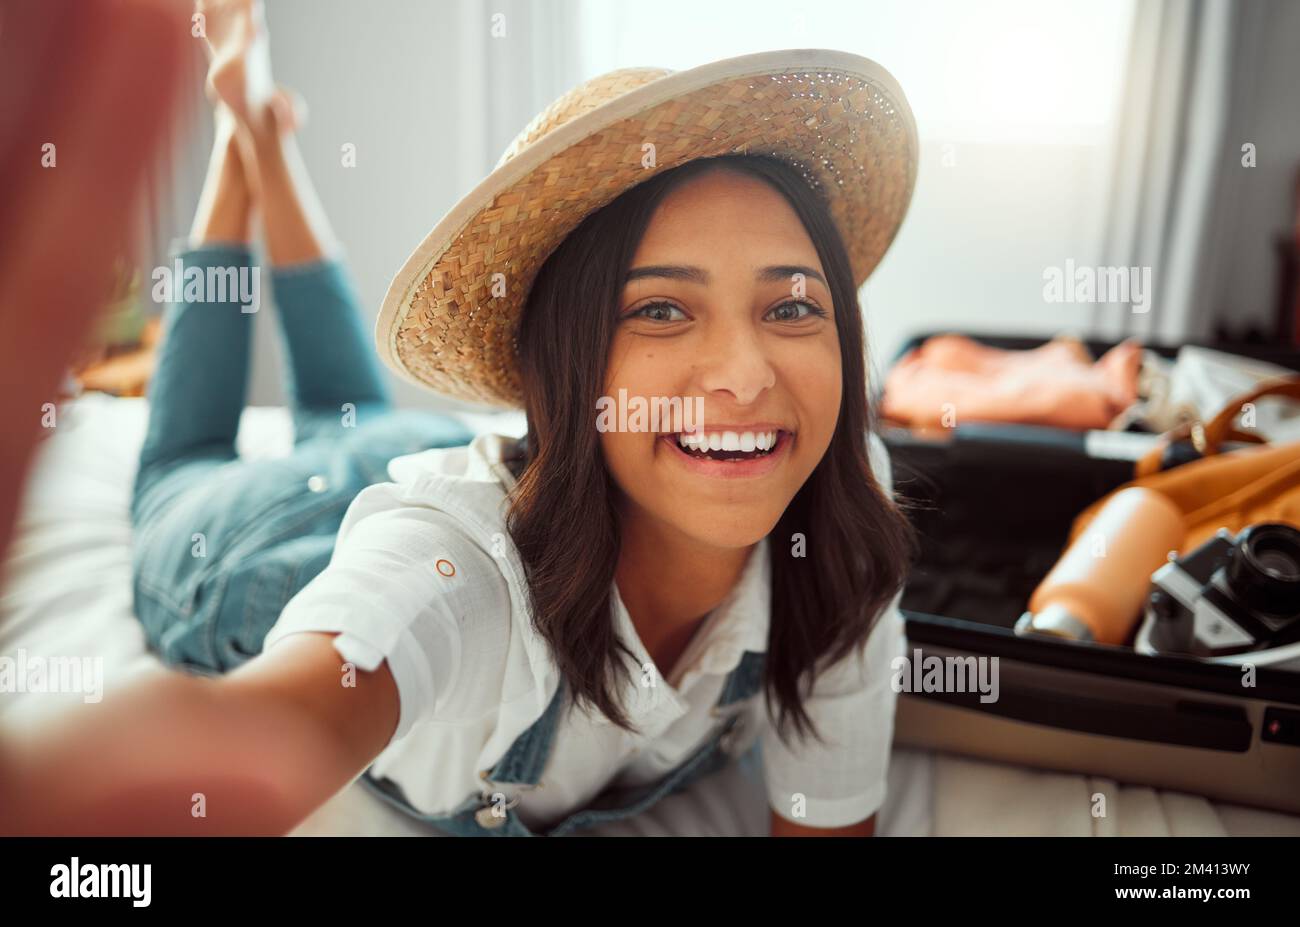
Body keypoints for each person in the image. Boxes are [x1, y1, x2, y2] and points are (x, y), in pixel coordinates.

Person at [12, 0, 921, 837]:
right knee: (184, 457)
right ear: (561, 363)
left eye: (793, 307)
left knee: (353, 410)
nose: (746, 375)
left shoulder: (840, 525)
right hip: (273, 539)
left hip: (440, 448)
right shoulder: (459, 578)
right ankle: (237, 149)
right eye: (660, 310)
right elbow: (276, 723)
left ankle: (262, 131)